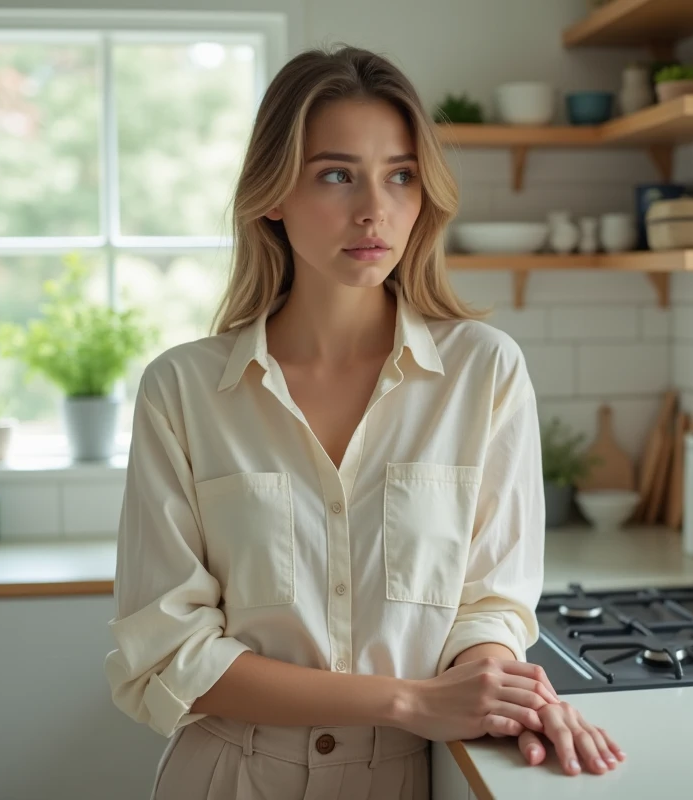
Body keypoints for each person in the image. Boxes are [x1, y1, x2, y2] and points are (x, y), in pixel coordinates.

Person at [105, 44, 624, 800]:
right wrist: (411, 701)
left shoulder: (484, 372)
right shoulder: (181, 391)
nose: (374, 210)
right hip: (229, 777)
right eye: (336, 174)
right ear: (272, 195)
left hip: (410, 777)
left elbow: (491, 602)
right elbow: (169, 651)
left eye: (400, 175)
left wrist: (500, 688)